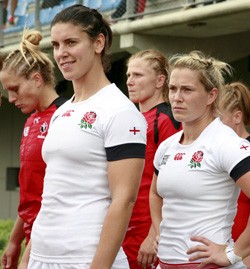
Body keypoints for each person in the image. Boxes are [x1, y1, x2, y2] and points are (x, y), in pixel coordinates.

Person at [19, 4, 147, 269]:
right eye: (55, 44)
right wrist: (28, 259)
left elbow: (124, 201)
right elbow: (51, 195)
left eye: (71, 42)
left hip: (86, 257)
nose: (61, 53)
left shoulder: (120, 110)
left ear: (98, 42)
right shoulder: (61, 111)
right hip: (42, 257)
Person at [149, 50, 250, 269]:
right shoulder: (167, 146)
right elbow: (155, 192)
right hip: (165, 263)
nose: (176, 97)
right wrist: (159, 231)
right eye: (173, 89)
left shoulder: (225, 143)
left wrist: (234, 253)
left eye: (187, 90)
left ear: (211, 95)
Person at [0, 29, 67, 269]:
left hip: (55, 240)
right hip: (34, 238)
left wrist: (31, 250)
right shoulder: (31, 121)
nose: (9, 98)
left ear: (37, 79)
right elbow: (31, 195)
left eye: (15, 89)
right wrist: (14, 241)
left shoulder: (65, 117)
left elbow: (57, 197)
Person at [125, 49, 181, 269]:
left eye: (138, 75)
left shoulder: (167, 119)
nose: (130, 81)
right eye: (128, 75)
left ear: (160, 81)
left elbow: (173, 184)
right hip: (126, 224)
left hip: (150, 230)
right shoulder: (132, 118)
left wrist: (153, 235)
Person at [219, 81, 250, 268]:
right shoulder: (217, 152)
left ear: (237, 117)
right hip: (222, 249)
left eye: (219, 120)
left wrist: (242, 253)